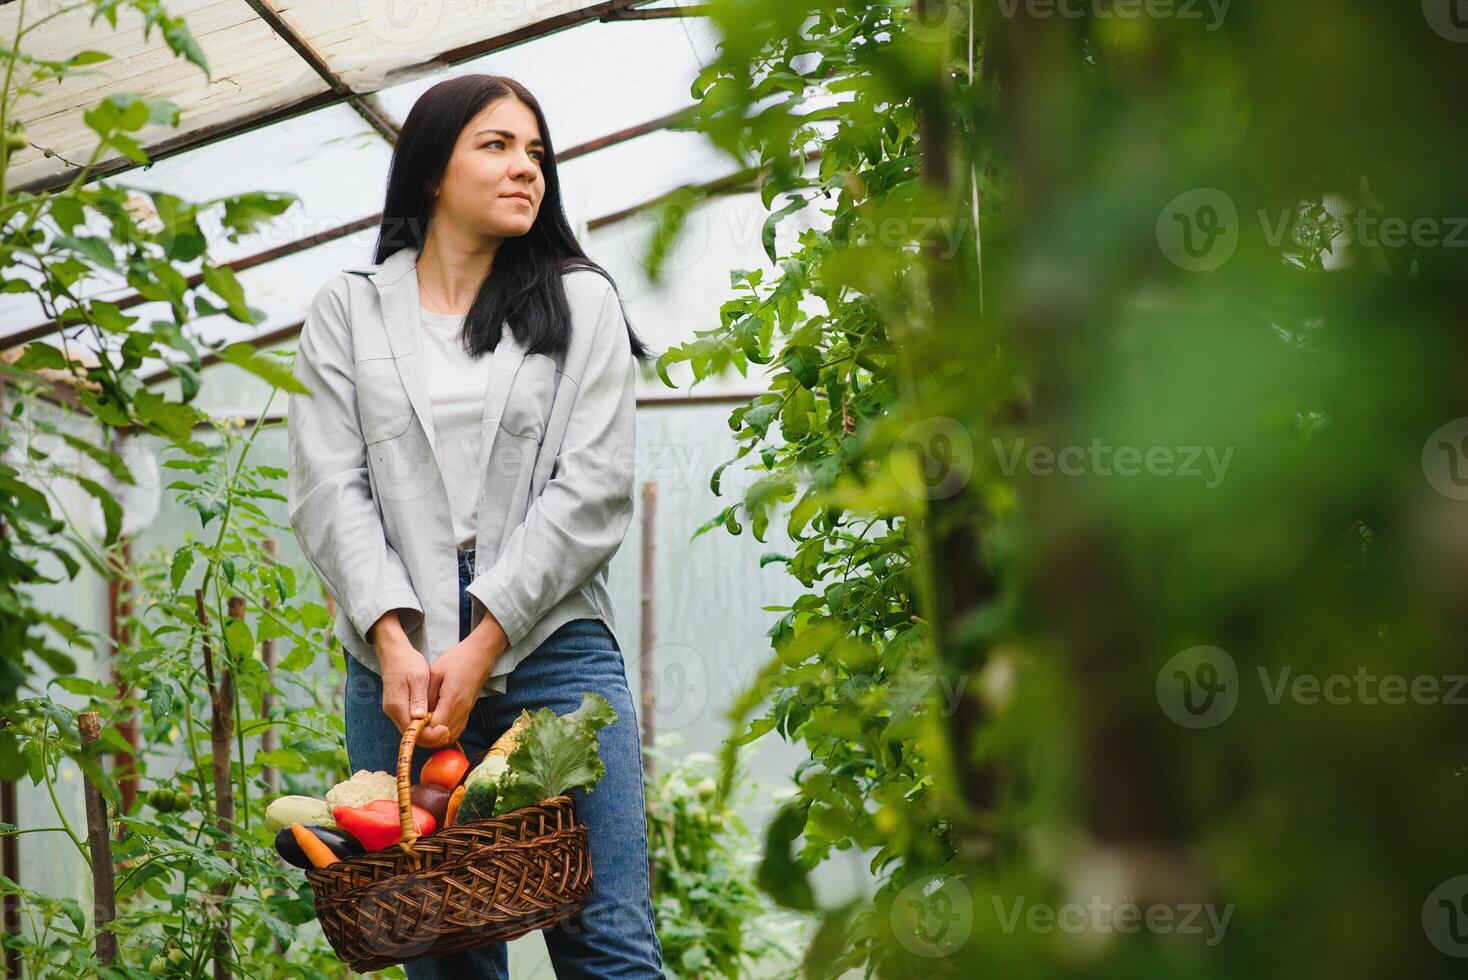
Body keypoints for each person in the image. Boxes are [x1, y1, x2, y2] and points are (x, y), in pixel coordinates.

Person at [285, 73, 663, 979]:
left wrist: (486, 635)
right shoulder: (348, 307)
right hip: (400, 656)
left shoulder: (581, 302)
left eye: (536, 152)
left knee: (607, 942)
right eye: (496, 146)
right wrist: (395, 638)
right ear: (430, 172)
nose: (525, 168)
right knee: (438, 946)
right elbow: (328, 489)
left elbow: (596, 490)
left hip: (552, 642)